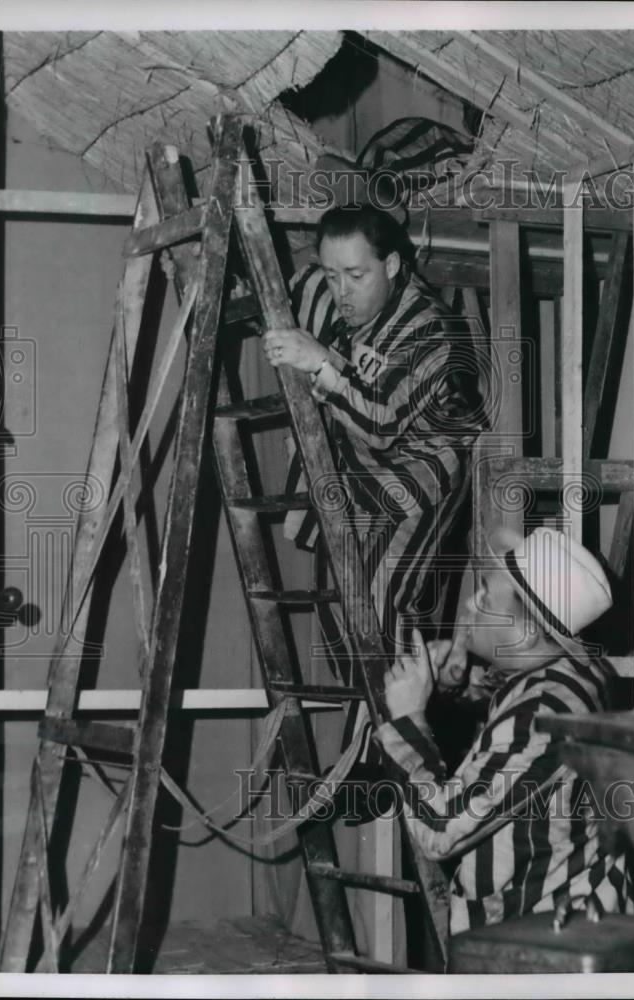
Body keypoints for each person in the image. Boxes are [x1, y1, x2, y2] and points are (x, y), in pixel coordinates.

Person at [262, 203, 485, 767]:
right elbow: (304, 293)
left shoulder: (431, 327)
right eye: (333, 275)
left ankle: (398, 745)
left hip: (428, 472)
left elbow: (383, 422)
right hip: (366, 471)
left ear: (391, 266)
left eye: (356, 276)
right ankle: (378, 726)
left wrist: (320, 363)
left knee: (385, 597)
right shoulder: (342, 299)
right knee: (340, 595)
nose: (342, 290)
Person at [375, 526, 633, 934]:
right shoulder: (582, 674)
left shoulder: (542, 715)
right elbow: (516, 710)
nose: (470, 603)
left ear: (529, 632)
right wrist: (462, 682)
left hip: (542, 937)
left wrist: (409, 718)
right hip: (579, 914)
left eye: (485, 596)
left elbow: (439, 831)